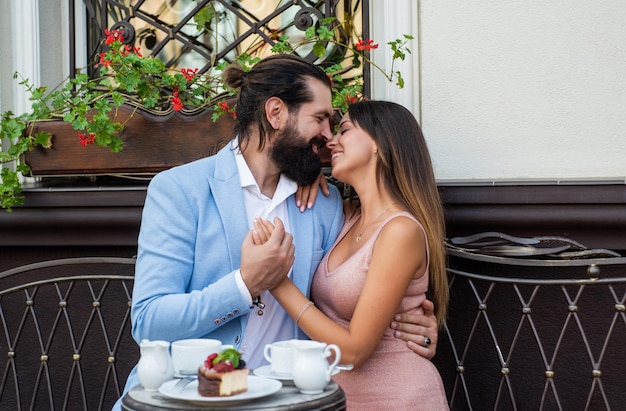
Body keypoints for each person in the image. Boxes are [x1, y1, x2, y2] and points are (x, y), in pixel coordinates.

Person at [114, 55, 439, 409]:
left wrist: (411, 325)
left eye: (336, 125)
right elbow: (148, 323)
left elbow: (353, 299)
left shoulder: (325, 204)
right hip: (192, 399)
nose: (328, 136)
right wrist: (245, 284)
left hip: (291, 401)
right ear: (275, 113)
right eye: (320, 119)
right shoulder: (180, 190)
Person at [253, 100, 449, 409]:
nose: (331, 140)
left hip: (397, 397)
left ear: (379, 145)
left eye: (344, 129)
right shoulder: (347, 217)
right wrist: (308, 176)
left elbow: (355, 352)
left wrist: (277, 283)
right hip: (338, 397)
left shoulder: (400, 232)